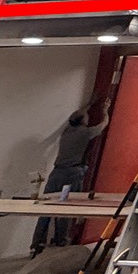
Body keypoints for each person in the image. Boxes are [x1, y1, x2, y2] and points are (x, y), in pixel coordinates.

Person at [31, 102, 110, 253]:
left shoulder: (67, 131)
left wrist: (90, 104)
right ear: (83, 121)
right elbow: (103, 125)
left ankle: (37, 243)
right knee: (65, 206)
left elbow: (77, 115)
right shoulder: (85, 133)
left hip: (56, 173)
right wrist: (105, 110)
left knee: (46, 208)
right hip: (71, 174)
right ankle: (61, 240)